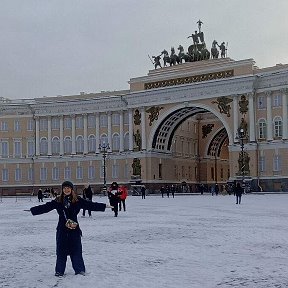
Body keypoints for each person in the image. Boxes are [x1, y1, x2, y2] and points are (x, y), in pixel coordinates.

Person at [29, 180, 112, 277]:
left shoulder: (77, 200)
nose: (66, 189)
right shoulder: (58, 200)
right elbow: (46, 207)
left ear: (71, 189)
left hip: (74, 229)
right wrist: (33, 210)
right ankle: (59, 271)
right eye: (64, 188)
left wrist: (104, 206)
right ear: (62, 189)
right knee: (61, 251)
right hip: (62, 230)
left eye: (68, 188)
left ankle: (79, 270)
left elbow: (90, 205)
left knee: (76, 250)